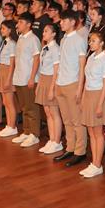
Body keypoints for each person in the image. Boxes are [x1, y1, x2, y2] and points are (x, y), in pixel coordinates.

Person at [54, 11, 88, 167]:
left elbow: (82, 66)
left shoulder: (79, 40)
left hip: (73, 83)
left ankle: (80, 151)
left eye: (64, 20)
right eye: (61, 20)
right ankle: (70, 147)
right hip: (61, 82)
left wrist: (79, 88)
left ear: (73, 22)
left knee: (77, 120)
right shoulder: (63, 39)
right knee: (67, 119)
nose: (61, 23)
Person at [79, 31, 105, 178]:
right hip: (89, 95)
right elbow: (87, 79)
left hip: (99, 96)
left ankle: (98, 164)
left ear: (102, 43)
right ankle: (94, 163)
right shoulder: (91, 57)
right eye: (90, 41)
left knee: (98, 133)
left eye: (93, 41)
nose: (90, 43)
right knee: (91, 132)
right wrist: (83, 97)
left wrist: (100, 105)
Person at [11, 13, 42, 146]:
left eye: (21, 22)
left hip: (28, 78)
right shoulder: (20, 38)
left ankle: (34, 134)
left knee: (31, 108)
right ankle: (27, 131)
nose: (17, 25)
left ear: (29, 24)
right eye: (18, 22)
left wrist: (32, 78)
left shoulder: (33, 39)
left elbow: (36, 59)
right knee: (24, 107)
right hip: (19, 77)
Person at [34, 23, 63, 154]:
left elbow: (56, 69)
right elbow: (42, 67)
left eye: (46, 31)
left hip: (52, 80)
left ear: (54, 34)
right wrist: (39, 84)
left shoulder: (55, 49)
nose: (43, 33)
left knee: (54, 112)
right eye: (44, 31)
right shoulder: (45, 48)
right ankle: (51, 140)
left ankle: (57, 141)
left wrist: (52, 88)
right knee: (47, 112)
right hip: (44, 79)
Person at [0, 20, 18, 136]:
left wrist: (9, 79)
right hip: (2, 69)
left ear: (10, 30)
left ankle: (12, 126)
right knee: (5, 101)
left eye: (3, 28)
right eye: (1, 28)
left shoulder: (12, 44)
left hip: (8, 71)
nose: (1, 30)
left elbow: (13, 62)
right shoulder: (5, 42)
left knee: (9, 102)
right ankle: (8, 125)